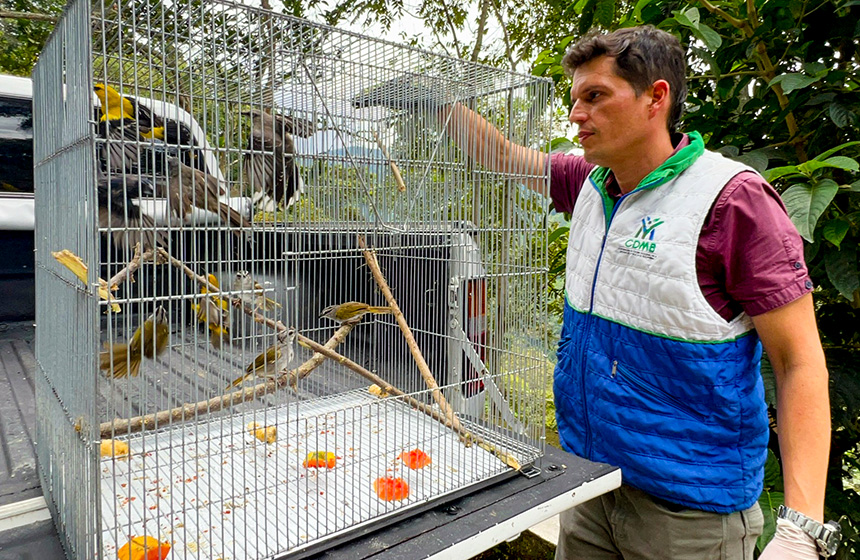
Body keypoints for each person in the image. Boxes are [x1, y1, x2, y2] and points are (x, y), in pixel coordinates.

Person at [422, 25, 832, 559]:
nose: (576, 115)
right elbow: (501, 156)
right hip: (589, 483)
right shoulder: (590, 184)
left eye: (595, 96)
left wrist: (803, 526)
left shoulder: (732, 202)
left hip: (686, 512)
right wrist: (435, 104)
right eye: (575, 99)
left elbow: (799, 360)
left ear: (655, 98)